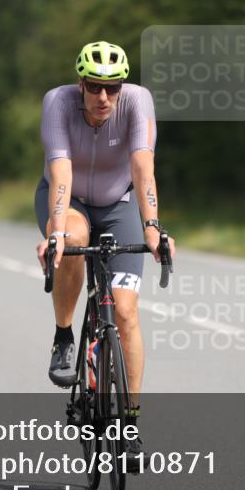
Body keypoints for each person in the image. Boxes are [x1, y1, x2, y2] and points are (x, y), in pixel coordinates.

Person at [35, 41, 175, 463]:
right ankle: (64, 336)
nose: (103, 97)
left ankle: (129, 425)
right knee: (75, 240)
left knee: (126, 312)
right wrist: (57, 233)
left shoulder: (137, 102)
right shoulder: (58, 103)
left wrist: (152, 227)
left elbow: (143, 168)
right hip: (70, 201)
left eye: (112, 87)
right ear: (80, 84)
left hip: (120, 204)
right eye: (94, 86)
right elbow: (61, 172)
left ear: (122, 87)